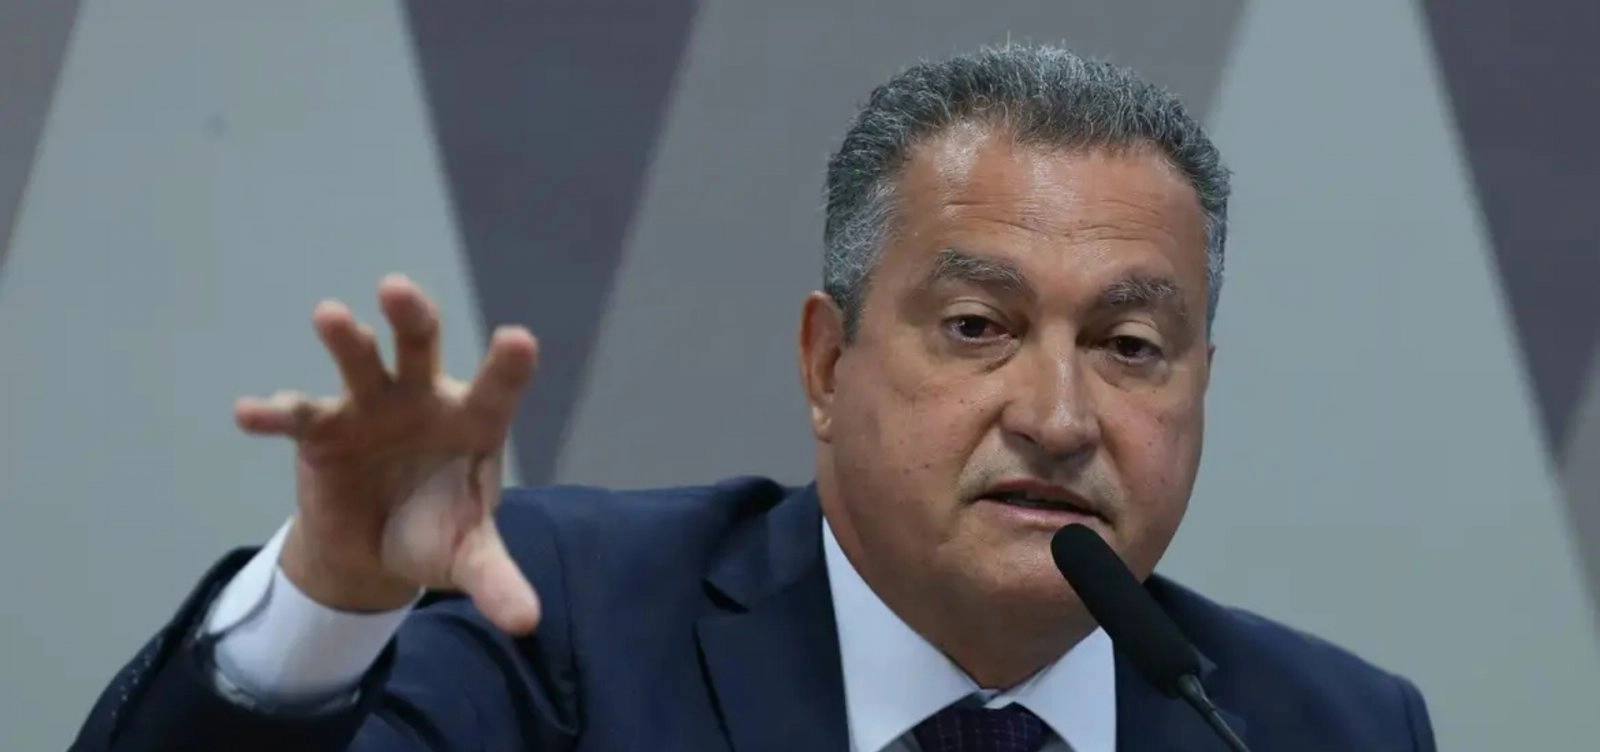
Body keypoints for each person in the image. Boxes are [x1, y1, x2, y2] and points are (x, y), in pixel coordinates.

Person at [70, 44, 1436, 752]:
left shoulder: (1324, 730)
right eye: (979, 327)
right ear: (827, 365)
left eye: (1132, 346)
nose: (1060, 415)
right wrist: (326, 598)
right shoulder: (563, 631)